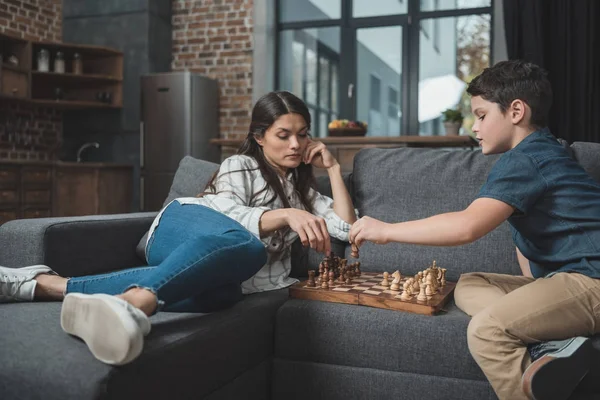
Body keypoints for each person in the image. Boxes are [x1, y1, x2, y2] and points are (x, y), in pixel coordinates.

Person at [0, 91, 357, 366]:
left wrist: (335, 169)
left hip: (212, 263)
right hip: (178, 227)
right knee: (248, 246)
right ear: (260, 136)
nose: (295, 144)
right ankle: (137, 303)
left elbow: (346, 227)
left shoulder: (301, 191)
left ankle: (47, 285)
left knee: (224, 295)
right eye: (284, 134)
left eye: (302, 135)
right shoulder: (240, 166)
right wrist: (287, 216)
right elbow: (231, 219)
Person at [349, 60, 600, 400]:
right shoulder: (540, 151)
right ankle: (552, 343)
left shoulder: (525, 159)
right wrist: (535, 299)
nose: (474, 127)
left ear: (515, 111)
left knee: (487, 331)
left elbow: (467, 226)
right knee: (469, 283)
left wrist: (386, 230)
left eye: (481, 115)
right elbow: (527, 242)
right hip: (571, 280)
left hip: (592, 280)